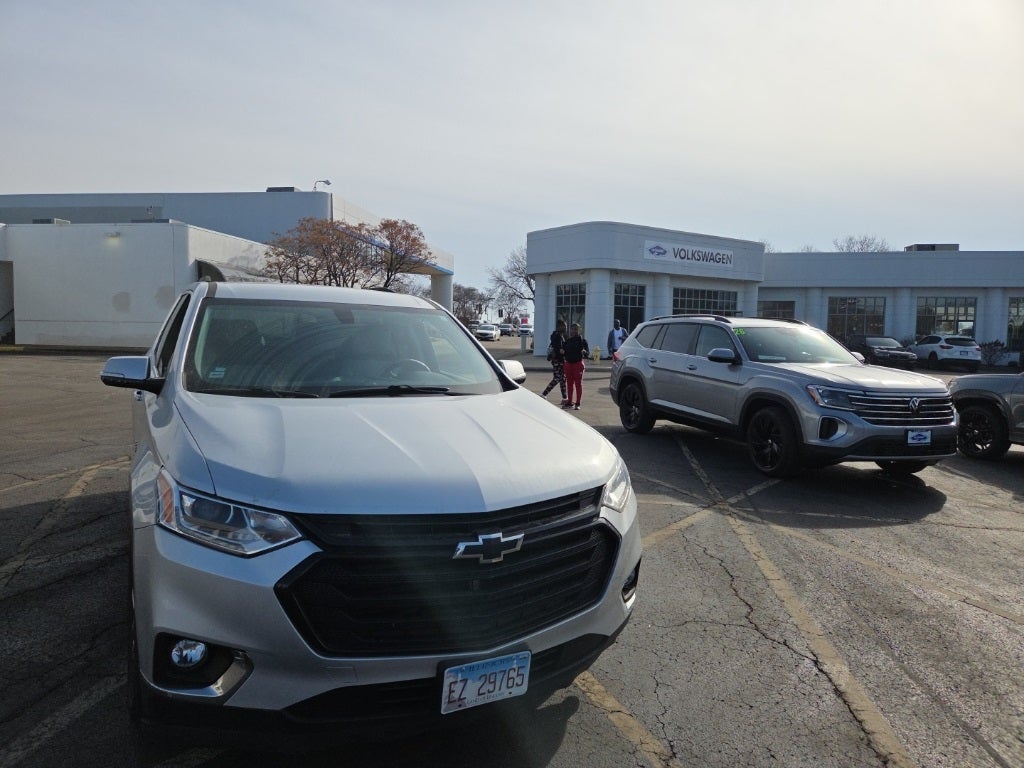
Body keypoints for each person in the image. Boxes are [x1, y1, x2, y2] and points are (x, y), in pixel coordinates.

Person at [561, 323, 590, 410]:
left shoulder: (583, 341)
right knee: (569, 384)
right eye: (573, 329)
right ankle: (570, 402)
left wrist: (585, 352)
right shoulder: (568, 341)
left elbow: (587, 353)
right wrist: (562, 351)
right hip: (568, 364)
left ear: (579, 330)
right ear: (570, 330)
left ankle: (577, 403)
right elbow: (563, 351)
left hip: (578, 364)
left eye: (576, 329)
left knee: (578, 384)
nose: (574, 331)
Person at [541, 319, 569, 406]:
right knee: (558, 378)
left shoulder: (558, 335)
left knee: (562, 379)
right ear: (559, 327)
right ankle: (544, 394)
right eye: (564, 326)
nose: (566, 328)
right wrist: (563, 352)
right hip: (558, 361)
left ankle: (565, 398)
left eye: (566, 326)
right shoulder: (558, 336)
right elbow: (559, 349)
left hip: (557, 360)